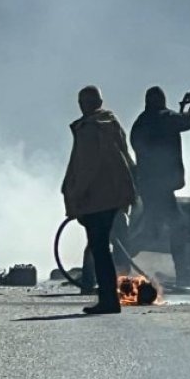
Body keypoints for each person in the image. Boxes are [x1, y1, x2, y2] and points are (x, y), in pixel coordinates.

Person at [62, 85, 136, 315]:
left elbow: (86, 169)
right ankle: (110, 297)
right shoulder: (112, 124)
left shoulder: (90, 129)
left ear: (84, 104)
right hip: (114, 197)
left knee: (100, 250)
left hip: (96, 199)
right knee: (105, 249)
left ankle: (108, 300)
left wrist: (74, 196)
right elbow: (127, 158)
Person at [129, 86, 190, 276]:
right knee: (177, 225)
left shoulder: (140, 122)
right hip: (161, 187)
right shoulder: (164, 118)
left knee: (152, 231)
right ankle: (183, 272)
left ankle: (116, 260)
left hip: (147, 185)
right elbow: (189, 120)